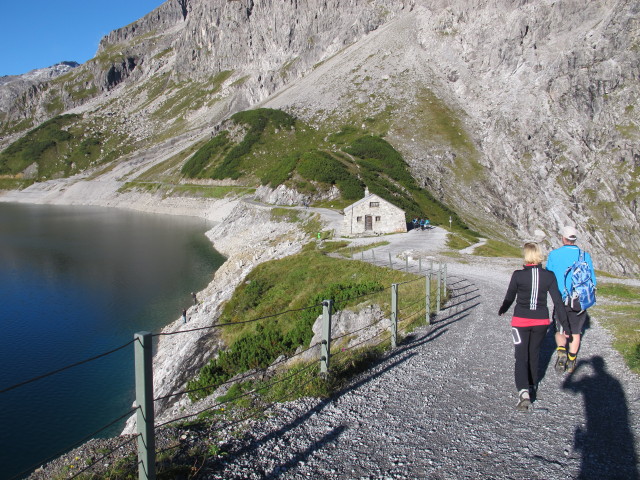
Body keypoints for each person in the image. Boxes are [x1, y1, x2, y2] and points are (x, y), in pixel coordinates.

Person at [498, 242, 569, 411]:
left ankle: (523, 392)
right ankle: (532, 385)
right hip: (541, 322)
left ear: (526, 256)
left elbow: (510, 297)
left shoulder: (517, 275)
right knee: (534, 353)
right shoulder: (549, 276)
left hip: (520, 321)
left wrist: (503, 309)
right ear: (539, 255)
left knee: (520, 355)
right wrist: (565, 325)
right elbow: (558, 302)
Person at [546, 225, 596, 374]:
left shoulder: (554, 255)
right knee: (576, 332)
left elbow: (549, 275)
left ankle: (561, 350)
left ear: (563, 237)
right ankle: (572, 360)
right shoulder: (584, 255)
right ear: (575, 238)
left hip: (561, 299)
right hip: (579, 300)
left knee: (560, 329)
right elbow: (592, 279)